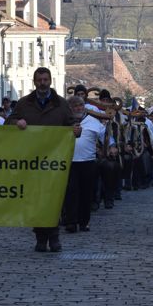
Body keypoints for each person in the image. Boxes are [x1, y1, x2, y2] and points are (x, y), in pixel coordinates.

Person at [5, 67, 81, 253]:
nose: (42, 83)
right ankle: (40, 236)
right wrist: (17, 123)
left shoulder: (61, 104)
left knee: (53, 199)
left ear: (50, 81)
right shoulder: (24, 103)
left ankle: (54, 236)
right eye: (39, 80)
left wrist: (76, 130)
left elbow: (71, 123)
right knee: (36, 199)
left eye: (45, 80)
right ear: (34, 81)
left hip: (55, 160)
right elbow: (8, 122)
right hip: (31, 160)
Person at [62, 95, 103, 233]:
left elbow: (105, 137)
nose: (78, 108)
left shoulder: (94, 122)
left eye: (80, 105)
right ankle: (71, 222)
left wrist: (112, 146)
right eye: (75, 106)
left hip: (88, 162)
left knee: (86, 193)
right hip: (70, 162)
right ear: (69, 108)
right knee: (71, 193)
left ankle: (84, 222)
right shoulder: (64, 122)